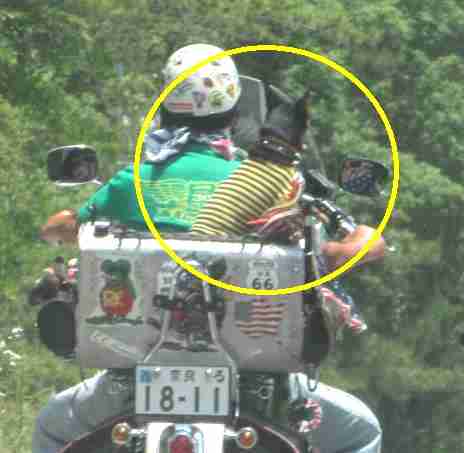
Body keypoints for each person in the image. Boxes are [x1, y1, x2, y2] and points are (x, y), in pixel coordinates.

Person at [32, 43, 383, 453]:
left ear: (164, 108)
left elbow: (57, 229)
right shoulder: (271, 186)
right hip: (263, 391)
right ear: (234, 115)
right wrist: (357, 238)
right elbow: (352, 247)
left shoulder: (133, 182)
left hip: (127, 385)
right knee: (362, 432)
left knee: (52, 429)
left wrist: (69, 232)